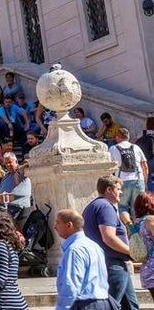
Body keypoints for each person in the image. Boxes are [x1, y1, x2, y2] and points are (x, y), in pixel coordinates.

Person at [83, 174, 139, 310]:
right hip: (111, 264)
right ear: (108, 190)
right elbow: (108, 237)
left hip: (112, 264)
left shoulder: (94, 205)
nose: (121, 192)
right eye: (118, 189)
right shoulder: (105, 207)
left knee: (131, 305)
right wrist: (131, 252)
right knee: (110, 305)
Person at [54, 209, 111, 310]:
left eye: (57, 223)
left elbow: (70, 284)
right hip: (102, 301)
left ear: (69, 225)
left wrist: (62, 308)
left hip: (85, 304)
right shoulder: (94, 246)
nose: (55, 227)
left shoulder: (74, 250)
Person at [110, 128, 149, 221]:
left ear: (117, 137)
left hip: (122, 181)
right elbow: (145, 166)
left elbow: (110, 166)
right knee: (138, 208)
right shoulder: (136, 147)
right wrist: (145, 182)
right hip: (138, 180)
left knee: (122, 207)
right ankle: (139, 231)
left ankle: (130, 229)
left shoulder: (113, 148)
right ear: (128, 137)